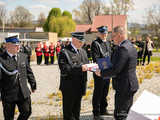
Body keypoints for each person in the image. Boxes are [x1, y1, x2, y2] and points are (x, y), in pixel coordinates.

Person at [95, 26, 139, 120]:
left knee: (120, 115)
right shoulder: (130, 46)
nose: (111, 38)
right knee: (126, 113)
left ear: (119, 35)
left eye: (113, 36)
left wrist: (101, 73)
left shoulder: (123, 49)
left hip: (124, 86)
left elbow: (116, 70)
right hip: (129, 84)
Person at [0, 35, 37, 120]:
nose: (18, 47)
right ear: (8, 45)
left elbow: (29, 71)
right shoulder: (2, 59)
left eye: (18, 45)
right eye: (15, 45)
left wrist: (33, 84)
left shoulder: (23, 56)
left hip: (23, 91)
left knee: (27, 111)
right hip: (8, 93)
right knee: (9, 117)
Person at [58, 32, 89, 120]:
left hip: (80, 85)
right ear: (74, 40)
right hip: (69, 87)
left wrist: (92, 67)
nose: (82, 43)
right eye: (80, 42)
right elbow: (64, 69)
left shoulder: (83, 51)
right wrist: (80, 68)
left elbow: (86, 63)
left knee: (77, 112)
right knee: (68, 113)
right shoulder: (64, 52)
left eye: (83, 41)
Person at [91, 26, 112, 120]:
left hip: (107, 71)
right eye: (103, 33)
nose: (105, 35)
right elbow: (96, 58)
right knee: (98, 92)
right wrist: (108, 65)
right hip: (99, 71)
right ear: (98, 33)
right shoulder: (95, 43)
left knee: (105, 91)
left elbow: (110, 55)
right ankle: (96, 112)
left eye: (106, 33)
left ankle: (104, 109)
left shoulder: (108, 42)